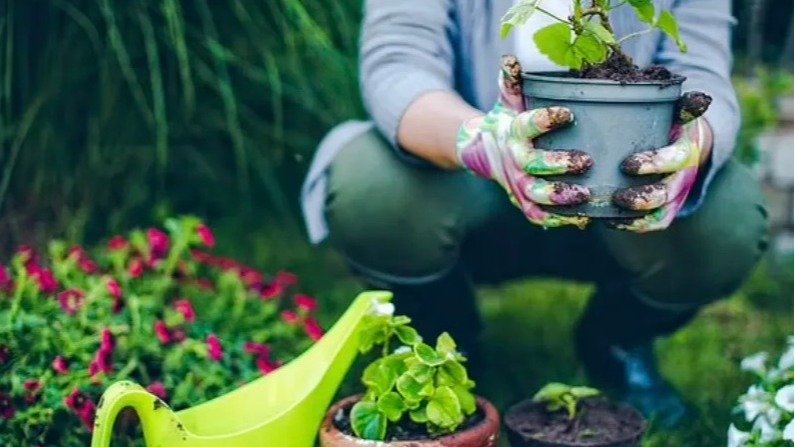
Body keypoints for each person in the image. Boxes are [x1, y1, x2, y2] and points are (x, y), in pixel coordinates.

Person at [301, 0, 769, 427]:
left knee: (726, 223)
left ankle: (617, 340)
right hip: (463, 183)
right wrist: (483, 142)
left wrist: (695, 145)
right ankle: (444, 332)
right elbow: (398, 64)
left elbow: (701, 70)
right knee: (372, 190)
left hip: (623, 190)